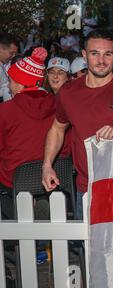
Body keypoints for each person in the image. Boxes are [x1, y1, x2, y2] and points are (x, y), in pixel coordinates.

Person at [41, 30, 113, 220]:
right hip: (87, 187)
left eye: (108, 54)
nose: (101, 60)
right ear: (84, 55)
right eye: (95, 53)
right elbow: (57, 128)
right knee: (88, 248)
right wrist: (47, 165)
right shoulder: (68, 92)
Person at [0, 48, 70, 220]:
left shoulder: (6, 110)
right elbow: (67, 146)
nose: (8, 86)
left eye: (10, 81)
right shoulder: (60, 106)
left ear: (20, 83)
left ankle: (15, 231)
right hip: (56, 177)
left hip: (14, 182)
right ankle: (39, 208)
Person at [0, 32, 19, 103]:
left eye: (15, 53)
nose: (13, 56)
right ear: (1, 48)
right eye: (11, 53)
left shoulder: (4, 64)